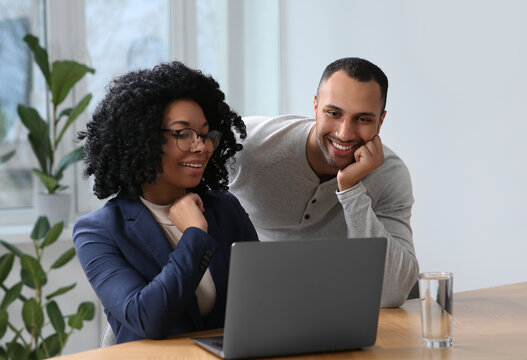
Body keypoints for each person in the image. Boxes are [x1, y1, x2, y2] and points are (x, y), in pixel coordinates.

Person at [73, 61, 258, 344]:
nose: (202, 146)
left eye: (206, 134)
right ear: (142, 139)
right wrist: (194, 236)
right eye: (183, 134)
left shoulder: (225, 209)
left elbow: (263, 297)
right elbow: (148, 318)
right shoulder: (98, 231)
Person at [228, 57, 418, 307]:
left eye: (363, 119)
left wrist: (351, 190)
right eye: (334, 113)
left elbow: (392, 292)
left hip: (340, 312)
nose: (344, 133)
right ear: (315, 106)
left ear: (380, 121)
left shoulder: (389, 174)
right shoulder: (247, 144)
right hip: (259, 305)